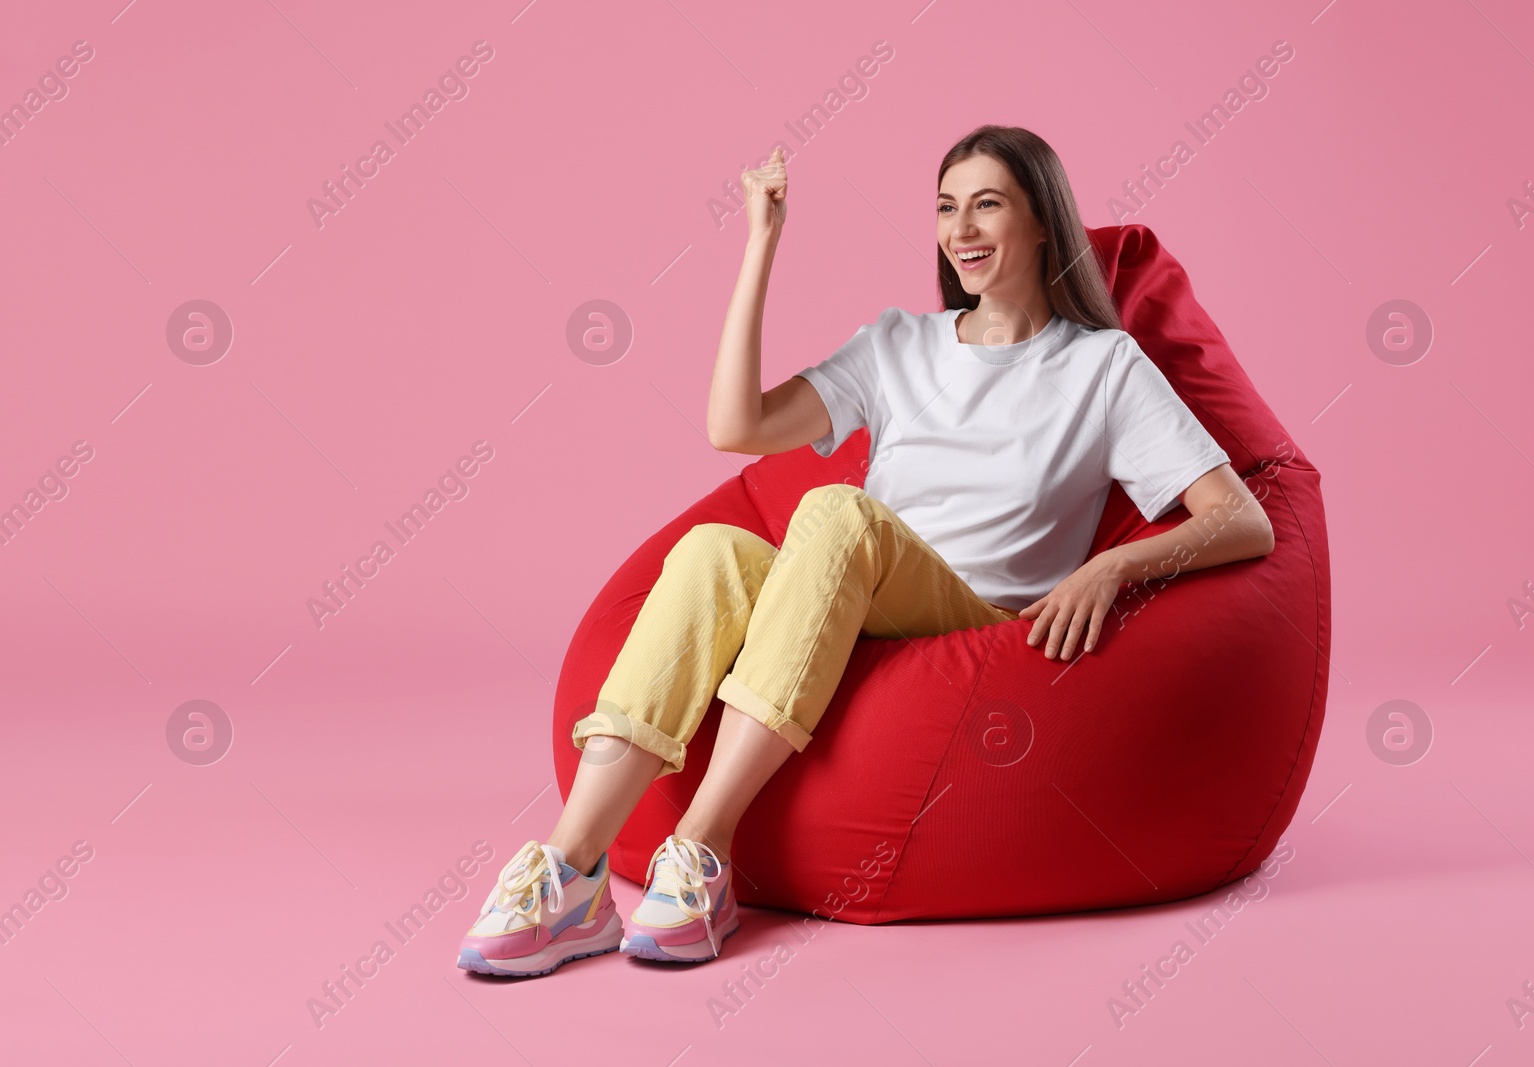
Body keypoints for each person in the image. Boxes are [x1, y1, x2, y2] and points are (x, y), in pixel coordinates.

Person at [456, 125, 1275, 978]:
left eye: (987, 204)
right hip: (854, 592)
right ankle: (570, 871)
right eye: (946, 208)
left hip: (972, 622)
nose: (961, 229)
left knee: (841, 514)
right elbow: (735, 427)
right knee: (709, 553)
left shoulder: (1104, 367)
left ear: (1043, 223)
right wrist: (760, 247)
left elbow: (1242, 520)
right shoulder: (900, 344)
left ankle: (701, 847)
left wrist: (1110, 565)